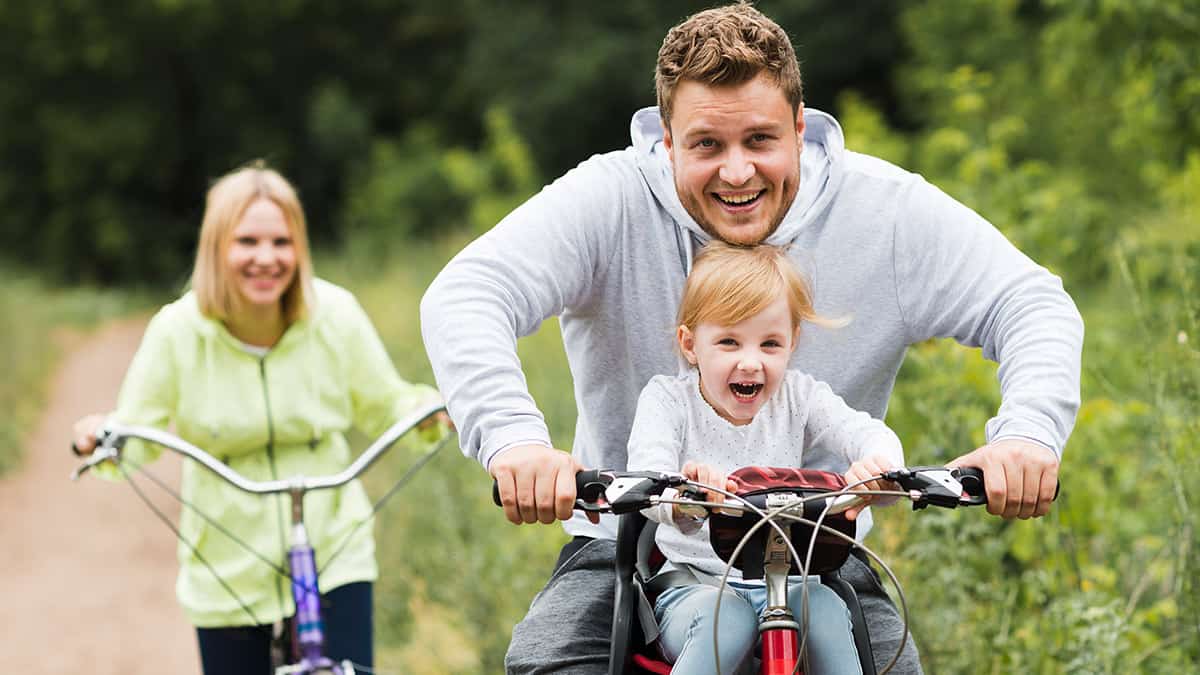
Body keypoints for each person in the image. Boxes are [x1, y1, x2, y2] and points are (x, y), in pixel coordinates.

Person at [420, 3, 1083, 673]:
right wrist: (517, 441)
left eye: (760, 140)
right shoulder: (610, 201)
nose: (737, 173)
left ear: (799, 129)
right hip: (625, 533)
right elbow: (467, 292)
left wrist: (1026, 434)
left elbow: (1028, 301)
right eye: (707, 144)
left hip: (817, 549)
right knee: (550, 660)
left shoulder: (886, 213)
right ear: (668, 143)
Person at [71, 162, 446, 675]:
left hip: (333, 542)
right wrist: (103, 439)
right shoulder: (176, 331)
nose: (266, 258)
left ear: (299, 249)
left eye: (282, 242)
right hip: (225, 555)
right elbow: (139, 430)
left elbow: (387, 403)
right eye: (247, 241)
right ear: (216, 248)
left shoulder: (335, 314)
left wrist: (433, 412)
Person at [626, 242, 902, 675]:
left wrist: (878, 466)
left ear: (792, 342)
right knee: (728, 622)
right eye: (729, 342)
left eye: (770, 344)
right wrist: (683, 493)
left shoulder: (800, 396)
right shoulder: (668, 400)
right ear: (690, 344)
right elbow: (649, 474)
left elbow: (866, 431)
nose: (751, 362)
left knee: (826, 610)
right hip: (696, 585)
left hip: (789, 581)